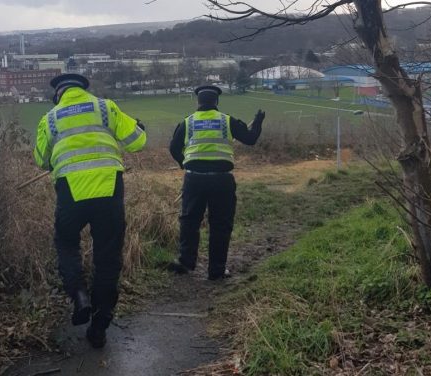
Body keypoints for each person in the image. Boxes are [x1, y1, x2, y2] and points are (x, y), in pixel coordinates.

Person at [33, 74, 146, 348]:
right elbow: (137, 142)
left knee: (66, 242)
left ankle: (79, 295)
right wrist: (139, 127)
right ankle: (99, 327)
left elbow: (40, 160)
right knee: (107, 258)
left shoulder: (49, 118)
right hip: (108, 190)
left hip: (70, 191)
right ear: (84, 90)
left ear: (57, 94)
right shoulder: (106, 107)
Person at [168, 85, 265, 280]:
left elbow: (173, 148)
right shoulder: (226, 121)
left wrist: (183, 163)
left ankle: (186, 262)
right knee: (221, 224)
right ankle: (216, 270)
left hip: (194, 179)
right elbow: (251, 139)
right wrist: (258, 122)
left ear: (198, 102)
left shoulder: (188, 122)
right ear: (216, 102)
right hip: (222, 181)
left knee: (189, 221)